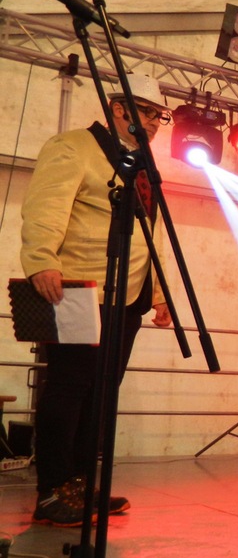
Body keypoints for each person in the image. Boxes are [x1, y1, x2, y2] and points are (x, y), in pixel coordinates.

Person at [20, 71, 173, 527]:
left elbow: (151, 236)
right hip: (79, 287)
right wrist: (41, 260)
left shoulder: (141, 166)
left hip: (128, 293)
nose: (156, 122)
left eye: (161, 116)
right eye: (148, 112)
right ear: (118, 108)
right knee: (69, 387)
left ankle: (83, 486)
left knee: (103, 392)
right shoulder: (73, 147)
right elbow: (45, 207)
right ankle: (52, 490)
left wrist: (160, 293)